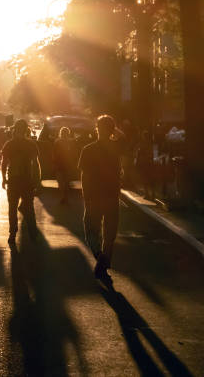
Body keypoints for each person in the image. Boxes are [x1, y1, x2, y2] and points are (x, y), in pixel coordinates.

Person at [78, 115, 125, 285]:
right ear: (112, 130)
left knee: (90, 228)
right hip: (112, 195)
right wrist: (113, 132)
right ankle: (103, 263)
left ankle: (100, 257)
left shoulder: (88, 150)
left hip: (94, 196)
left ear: (96, 128)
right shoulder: (116, 148)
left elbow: (84, 176)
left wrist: (86, 195)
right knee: (110, 233)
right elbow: (124, 138)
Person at [1, 119, 40, 244]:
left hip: (13, 179)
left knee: (12, 208)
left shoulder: (9, 144)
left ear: (15, 130)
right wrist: (37, 181)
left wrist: (4, 178)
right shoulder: (31, 144)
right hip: (27, 180)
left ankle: (12, 233)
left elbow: (4, 163)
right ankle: (33, 232)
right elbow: (36, 164)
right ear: (25, 130)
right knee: (29, 206)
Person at [53, 126, 76, 204]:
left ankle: (63, 196)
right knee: (66, 182)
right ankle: (65, 197)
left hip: (60, 164)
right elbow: (74, 154)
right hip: (68, 164)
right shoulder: (71, 142)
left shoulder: (57, 142)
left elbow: (55, 154)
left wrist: (54, 163)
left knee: (61, 181)